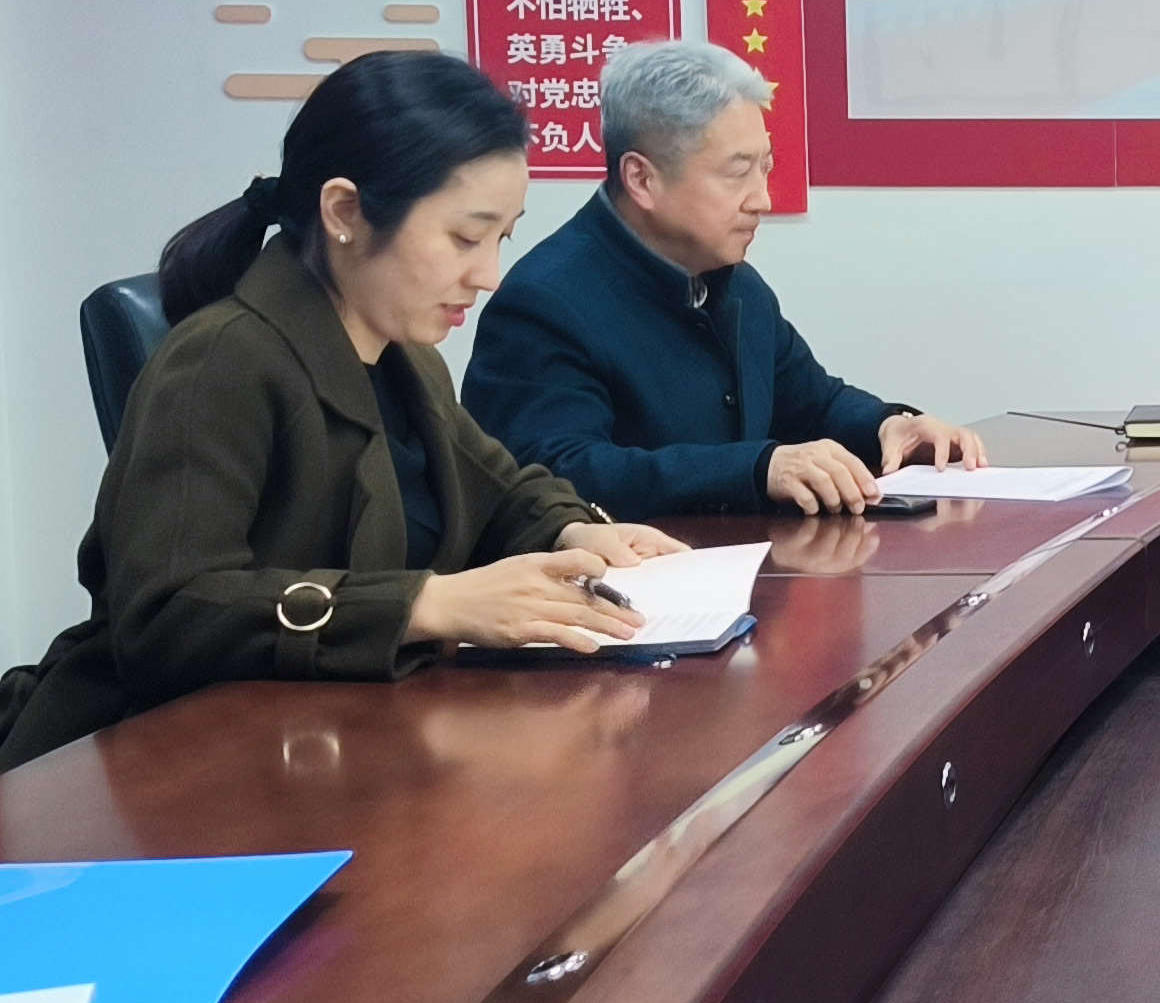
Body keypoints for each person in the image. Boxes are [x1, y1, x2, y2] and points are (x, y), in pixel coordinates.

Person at [0, 53, 684, 772]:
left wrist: (574, 529)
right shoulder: (220, 361)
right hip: (161, 764)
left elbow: (497, 489)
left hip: (328, 747)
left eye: (500, 239)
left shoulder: (403, 354)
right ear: (345, 213)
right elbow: (168, 615)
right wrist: (427, 605)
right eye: (464, 237)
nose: (486, 275)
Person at [462, 41, 983, 517]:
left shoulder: (736, 285)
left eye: (765, 167)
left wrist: (890, 426)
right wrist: (756, 469)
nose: (763, 199)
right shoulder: (544, 303)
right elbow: (555, 473)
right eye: (737, 172)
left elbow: (813, 404)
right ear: (642, 178)